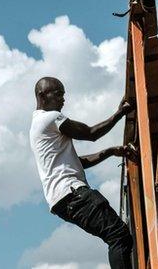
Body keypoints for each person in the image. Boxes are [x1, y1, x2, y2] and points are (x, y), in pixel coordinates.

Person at [30, 76, 137, 269]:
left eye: (64, 94)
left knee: (115, 236)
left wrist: (110, 151)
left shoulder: (37, 127)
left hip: (62, 201)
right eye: (58, 94)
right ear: (42, 96)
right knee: (118, 235)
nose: (63, 99)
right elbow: (91, 133)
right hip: (73, 194)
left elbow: (77, 163)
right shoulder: (51, 118)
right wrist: (120, 112)